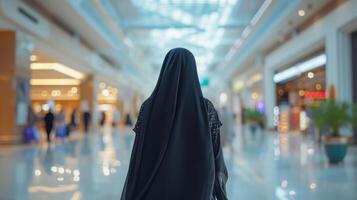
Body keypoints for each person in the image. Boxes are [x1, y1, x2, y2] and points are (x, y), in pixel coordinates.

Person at [121, 48, 228, 200]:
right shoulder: (206, 108)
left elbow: (139, 150)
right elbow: (216, 150)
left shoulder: (149, 107)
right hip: (198, 184)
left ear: (166, 70)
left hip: (156, 185)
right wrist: (218, 182)